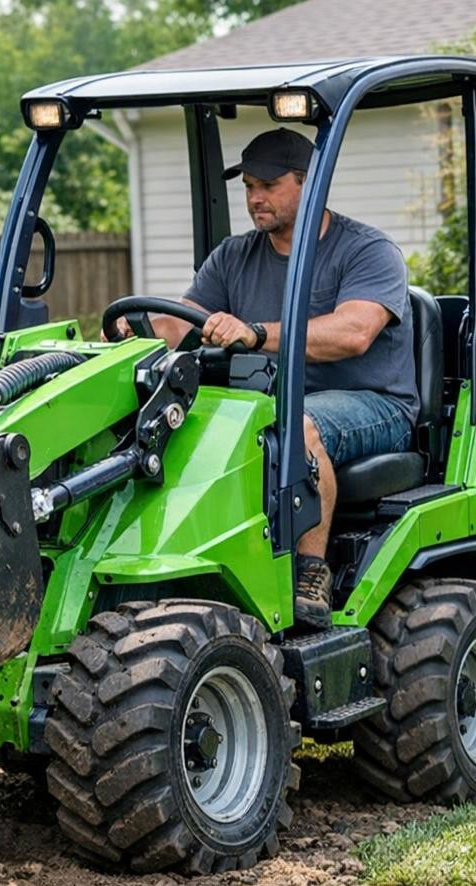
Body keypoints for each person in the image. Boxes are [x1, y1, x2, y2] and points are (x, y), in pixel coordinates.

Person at [115, 128, 416, 628]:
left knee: (294, 427)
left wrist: (255, 333)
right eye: (250, 186)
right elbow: (182, 319)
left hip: (372, 403)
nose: (255, 198)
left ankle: (309, 572)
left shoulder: (367, 250)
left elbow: (355, 331)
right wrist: (136, 328)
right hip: (269, 399)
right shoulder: (235, 256)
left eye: (269, 186)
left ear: (309, 182)